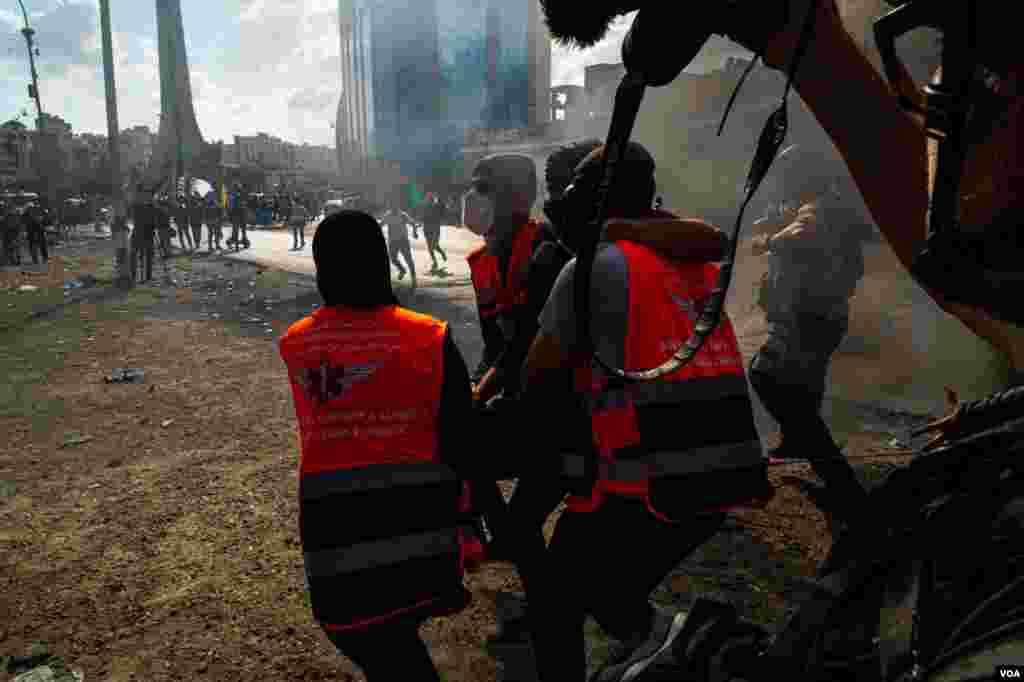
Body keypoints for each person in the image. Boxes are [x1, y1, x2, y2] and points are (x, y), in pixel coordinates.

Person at [519, 142, 773, 682]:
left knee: (555, 590)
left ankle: (688, 645)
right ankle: (664, 642)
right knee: (609, 589)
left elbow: (538, 381)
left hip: (649, 481)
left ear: (589, 201)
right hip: (726, 471)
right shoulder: (691, 262)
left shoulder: (591, 268)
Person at [277, 210, 510, 682]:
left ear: (323, 269)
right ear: (382, 262)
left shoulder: (298, 344)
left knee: (365, 636)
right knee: (395, 635)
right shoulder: (429, 337)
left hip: (335, 533)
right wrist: (490, 516)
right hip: (421, 529)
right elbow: (464, 438)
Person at [747, 145, 867, 473]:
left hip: (807, 316)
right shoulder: (830, 207)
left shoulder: (815, 211)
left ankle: (826, 461)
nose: (783, 181)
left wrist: (770, 241)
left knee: (764, 376)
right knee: (806, 382)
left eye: (788, 174)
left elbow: (800, 232)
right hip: (824, 313)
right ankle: (797, 440)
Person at [462, 154, 542, 392]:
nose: (471, 197)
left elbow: (527, 341)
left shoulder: (543, 247)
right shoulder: (481, 263)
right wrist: (475, 384)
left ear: (516, 196)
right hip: (507, 387)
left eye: (483, 188)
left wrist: (482, 391)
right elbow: (494, 345)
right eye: (473, 187)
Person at [380, 207, 417, 289]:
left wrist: (414, 232)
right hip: (393, 241)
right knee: (393, 258)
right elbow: (381, 224)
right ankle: (402, 270)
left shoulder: (403, 215)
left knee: (408, 259)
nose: (394, 208)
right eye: (392, 205)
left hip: (403, 240)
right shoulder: (388, 215)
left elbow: (412, 223)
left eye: (395, 206)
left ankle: (413, 278)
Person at [422, 193, 447, 273]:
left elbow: (442, 207)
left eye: (430, 198)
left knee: (434, 245)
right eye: (427, 198)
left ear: (432, 199)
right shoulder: (425, 207)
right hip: (426, 228)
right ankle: (435, 262)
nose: (428, 200)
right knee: (430, 247)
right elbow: (423, 217)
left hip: (434, 227)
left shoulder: (436, 206)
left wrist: (440, 199)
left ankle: (441, 254)